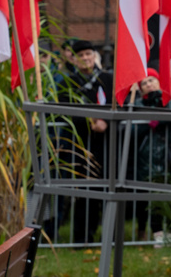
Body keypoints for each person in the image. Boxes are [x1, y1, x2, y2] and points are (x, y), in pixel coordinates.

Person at [62, 39, 113, 244]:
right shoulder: (68, 82)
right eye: (80, 56)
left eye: (88, 55)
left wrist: (106, 122)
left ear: (95, 57)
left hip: (107, 142)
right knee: (84, 191)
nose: (85, 59)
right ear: (74, 60)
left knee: (109, 189)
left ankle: (111, 236)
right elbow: (64, 110)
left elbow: (117, 103)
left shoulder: (108, 79)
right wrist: (87, 120)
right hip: (81, 143)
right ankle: (83, 238)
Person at [131, 68, 171, 243]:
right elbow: (132, 127)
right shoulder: (138, 104)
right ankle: (156, 232)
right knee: (150, 195)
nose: (149, 85)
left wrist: (159, 118)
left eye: (151, 80)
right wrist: (148, 121)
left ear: (159, 81)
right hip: (147, 155)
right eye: (144, 83)